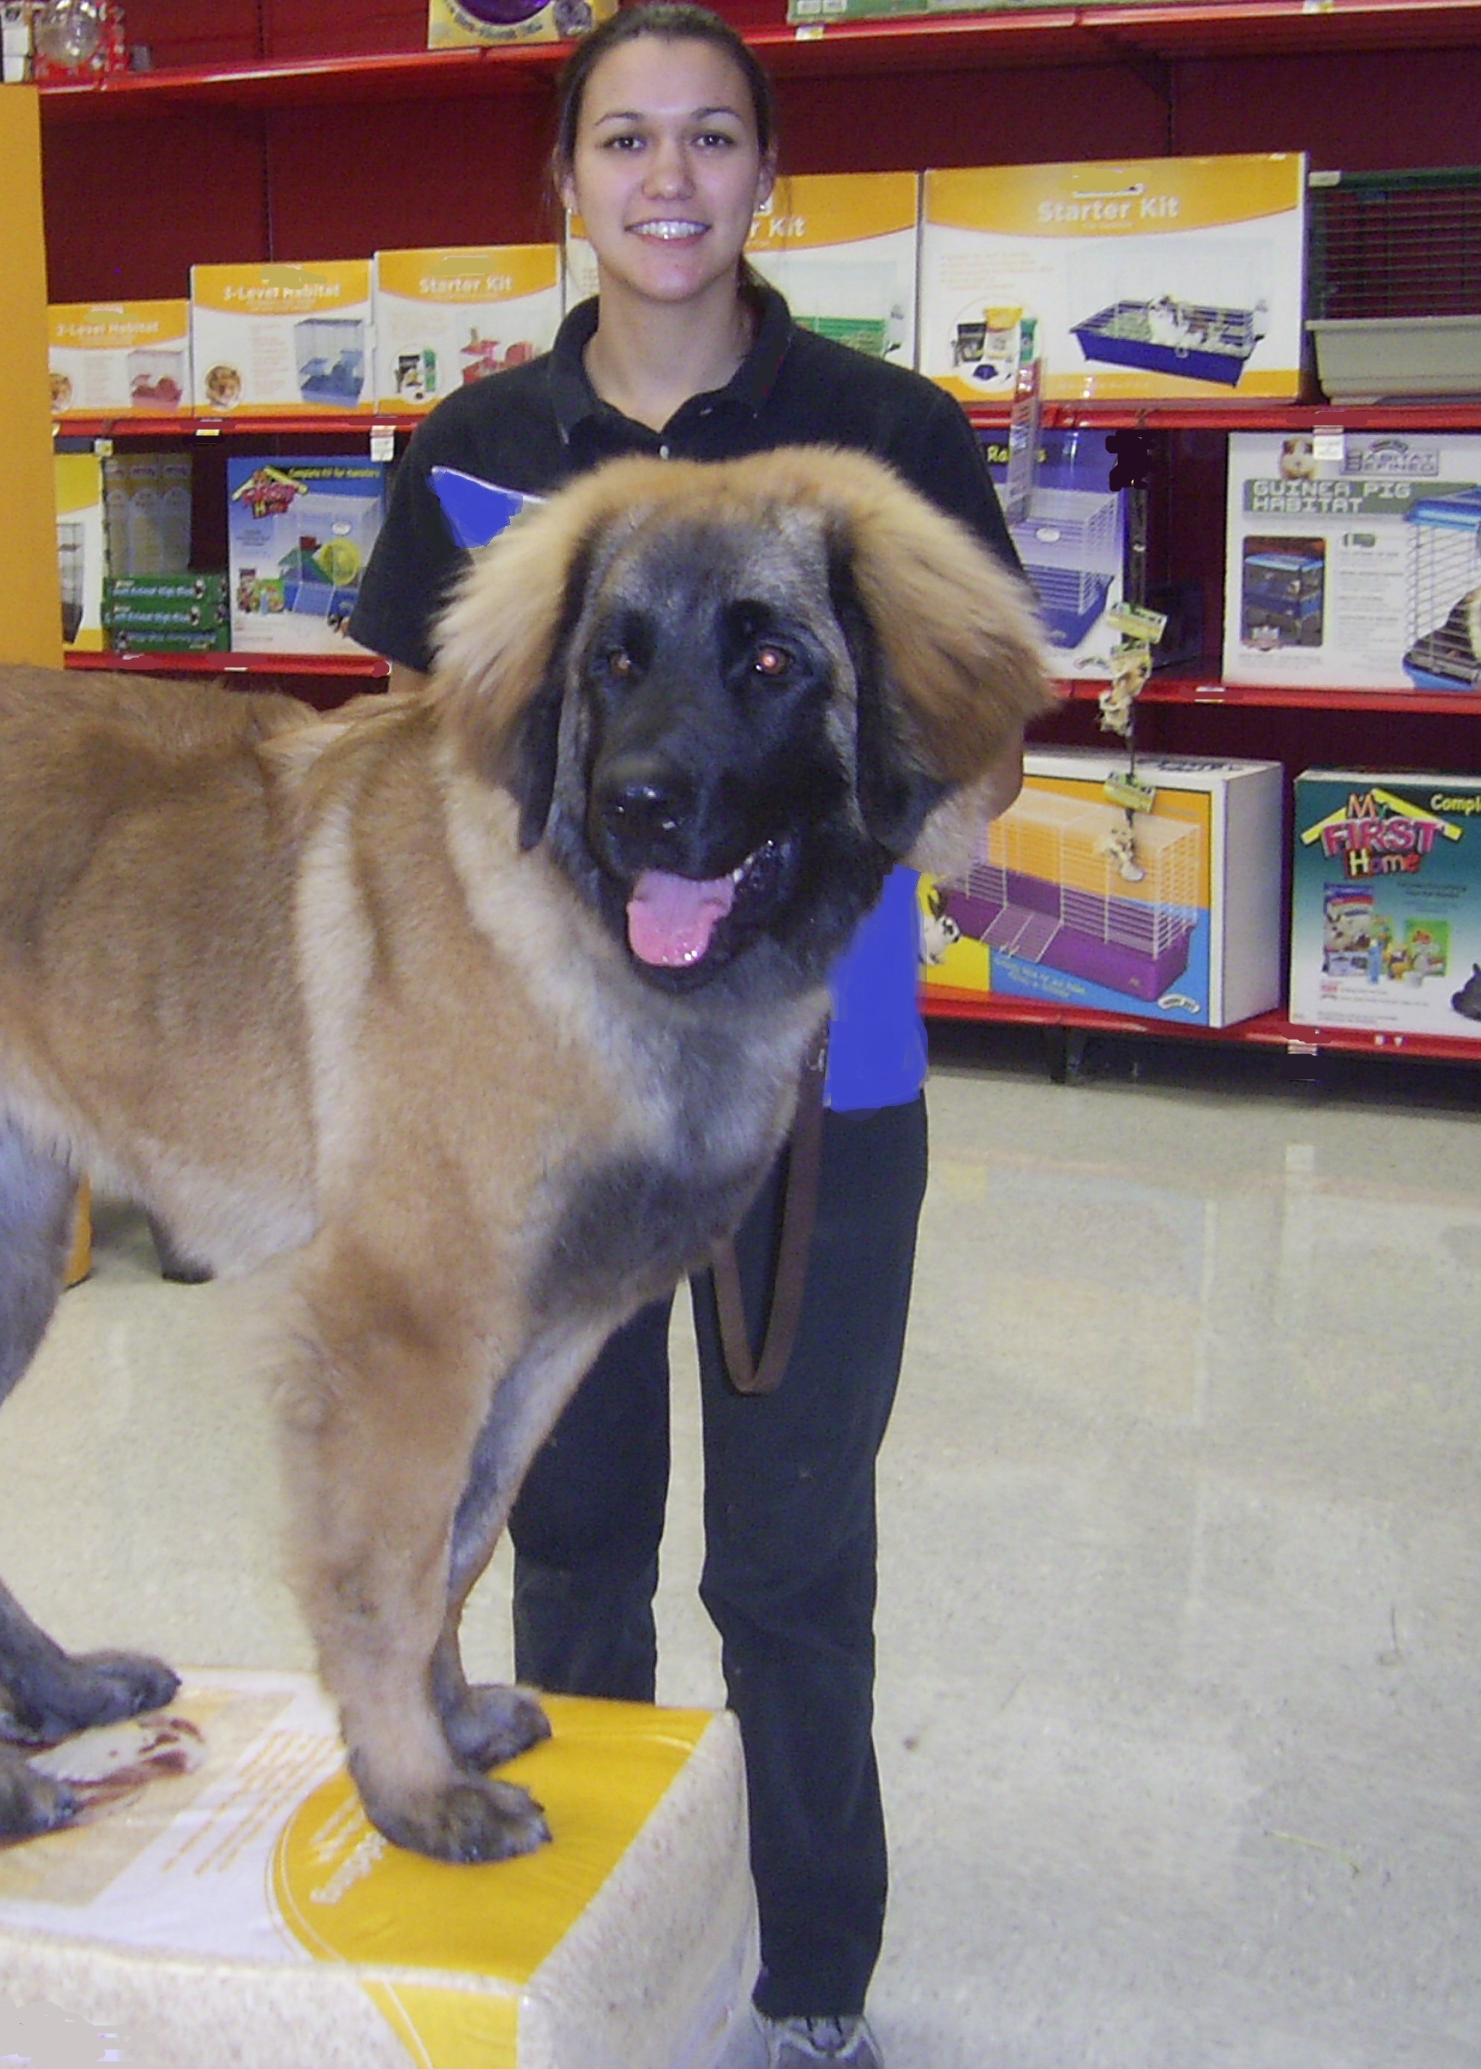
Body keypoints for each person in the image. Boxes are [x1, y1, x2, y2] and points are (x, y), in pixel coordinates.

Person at [349, 9, 1025, 2064]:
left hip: (826, 1086)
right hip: (543, 1091)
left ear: (762, 173)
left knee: (795, 1550)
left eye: (708, 138)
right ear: (565, 179)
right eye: (623, 140)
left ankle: (812, 1976)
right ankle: (598, 1944)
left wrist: (930, 824)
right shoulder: (475, 445)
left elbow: (975, 758)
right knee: (567, 1529)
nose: (666, 179)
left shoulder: (884, 435)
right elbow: (405, 769)